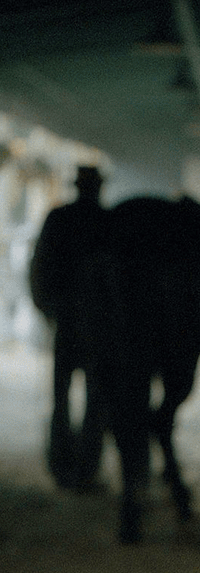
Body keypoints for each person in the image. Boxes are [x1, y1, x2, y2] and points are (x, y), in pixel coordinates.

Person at [28, 164, 110, 489]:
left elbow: (38, 270)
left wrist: (49, 310)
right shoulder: (107, 223)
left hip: (66, 322)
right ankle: (86, 469)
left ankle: (61, 465)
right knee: (95, 398)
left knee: (60, 397)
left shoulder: (58, 219)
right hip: (98, 327)